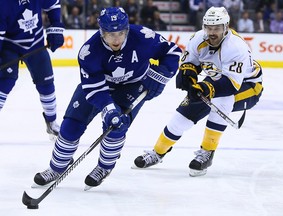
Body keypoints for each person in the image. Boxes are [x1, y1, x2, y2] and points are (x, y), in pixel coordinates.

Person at [33, 7, 182, 190]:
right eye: (111, 34)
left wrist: (160, 75)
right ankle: (56, 167)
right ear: (101, 32)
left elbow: (173, 52)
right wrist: (108, 108)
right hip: (100, 87)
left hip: (133, 86)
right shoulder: (89, 51)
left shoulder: (143, 36)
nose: (117, 39)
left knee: (116, 126)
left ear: (127, 29)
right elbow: (94, 88)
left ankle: (104, 167)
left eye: (121, 33)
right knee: (72, 124)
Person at [134, 6, 264, 177]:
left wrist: (206, 87)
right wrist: (188, 76)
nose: (211, 32)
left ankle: (207, 152)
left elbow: (232, 85)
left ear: (226, 27)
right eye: (209, 28)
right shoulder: (197, 38)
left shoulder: (236, 47)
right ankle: (157, 152)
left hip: (248, 86)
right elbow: (190, 64)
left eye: (216, 28)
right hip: (217, 79)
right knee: (183, 115)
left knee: (222, 99)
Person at [0, 0, 64, 140]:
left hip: (36, 42)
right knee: (5, 82)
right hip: (10, 46)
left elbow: (53, 4)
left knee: (46, 83)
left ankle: (51, 121)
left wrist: (56, 26)